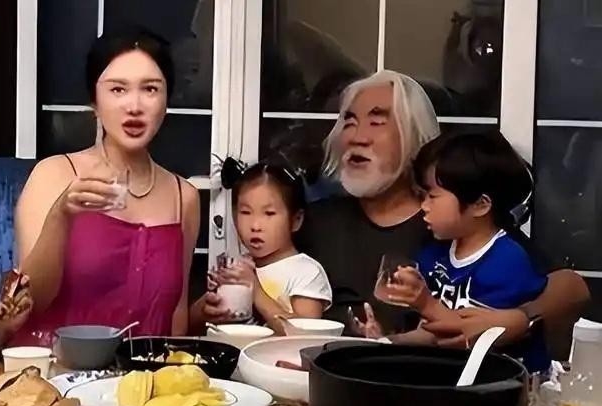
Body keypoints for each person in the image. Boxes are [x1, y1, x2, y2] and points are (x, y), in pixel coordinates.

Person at [194, 70, 588, 352]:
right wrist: (213, 307)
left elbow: (572, 289)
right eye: (350, 122)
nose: (357, 136)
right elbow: (243, 287)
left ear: (414, 136)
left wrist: (521, 318)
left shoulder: (451, 223)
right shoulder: (315, 219)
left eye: (377, 122)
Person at [0, 27, 200, 347]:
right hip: (53, 371)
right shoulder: (54, 174)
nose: (135, 105)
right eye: (117, 89)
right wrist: (61, 214)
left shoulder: (184, 197)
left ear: (166, 100)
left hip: (140, 376)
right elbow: (30, 303)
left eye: (150, 89)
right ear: (94, 102)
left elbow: (175, 319)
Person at [377, 131, 551, 372]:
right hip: (453, 375)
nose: (424, 206)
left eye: (432, 196)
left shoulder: (507, 261)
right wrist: (382, 343)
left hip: (503, 382)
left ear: (480, 205)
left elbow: (466, 335)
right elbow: (428, 333)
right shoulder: (433, 254)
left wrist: (425, 303)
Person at [206, 162, 332, 335]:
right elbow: (196, 324)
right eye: (245, 212)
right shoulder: (241, 266)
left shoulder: (307, 272)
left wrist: (255, 290)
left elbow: (305, 335)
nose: (255, 226)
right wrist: (211, 300)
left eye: (269, 213)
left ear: (296, 220)